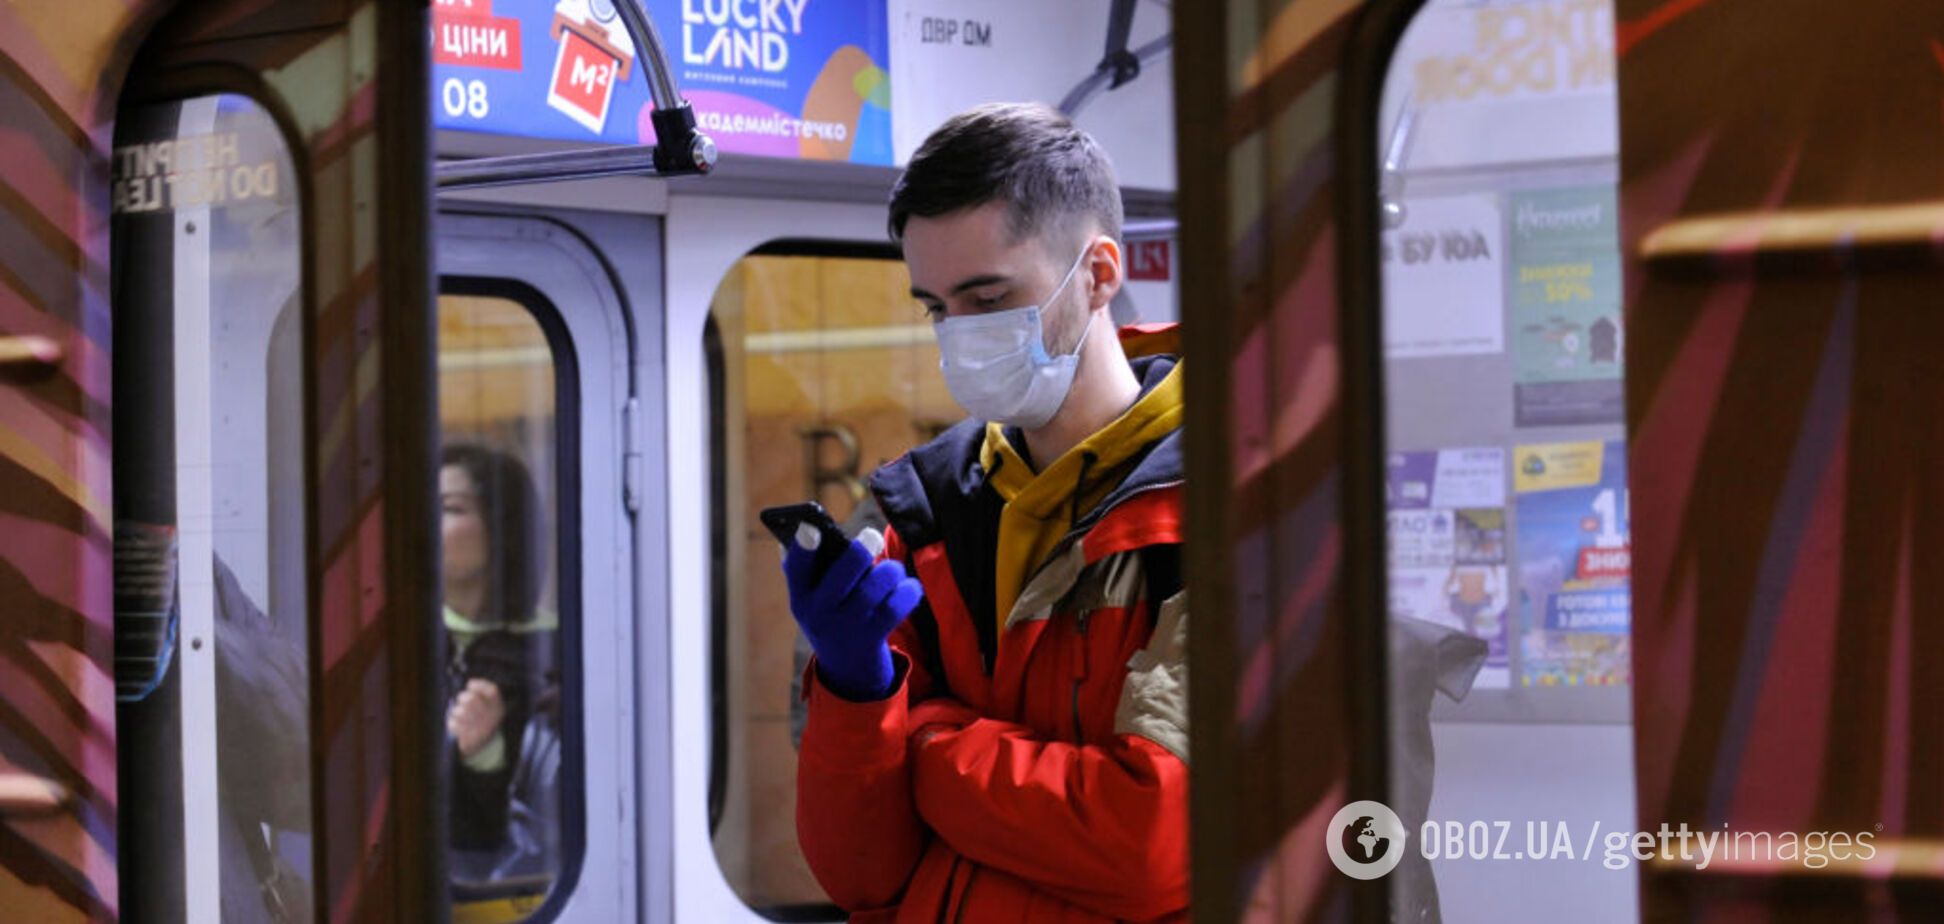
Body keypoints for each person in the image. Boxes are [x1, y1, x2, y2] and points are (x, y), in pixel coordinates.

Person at [785, 102, 1189, 922]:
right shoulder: (921, 515)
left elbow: (1148, 841)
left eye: (988, 297)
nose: (959, 335)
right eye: (936, 307)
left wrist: (921, 738)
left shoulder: (1232, 506)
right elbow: (860, 875)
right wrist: (855, 690)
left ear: (1099, 274)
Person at [438, 443, 559, 873]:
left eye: (450, 508)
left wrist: (484, 757)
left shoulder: (558, 651)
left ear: (501, 524)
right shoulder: (403, 646)